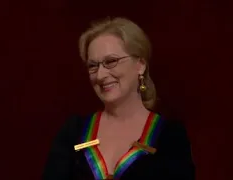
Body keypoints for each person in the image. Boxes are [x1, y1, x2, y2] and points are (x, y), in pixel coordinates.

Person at [42, 17, 195, 180]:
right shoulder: (74, 131)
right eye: (93, 66)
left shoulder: (170, 136)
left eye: (111, 61)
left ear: (140, 65)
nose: (100, 75)